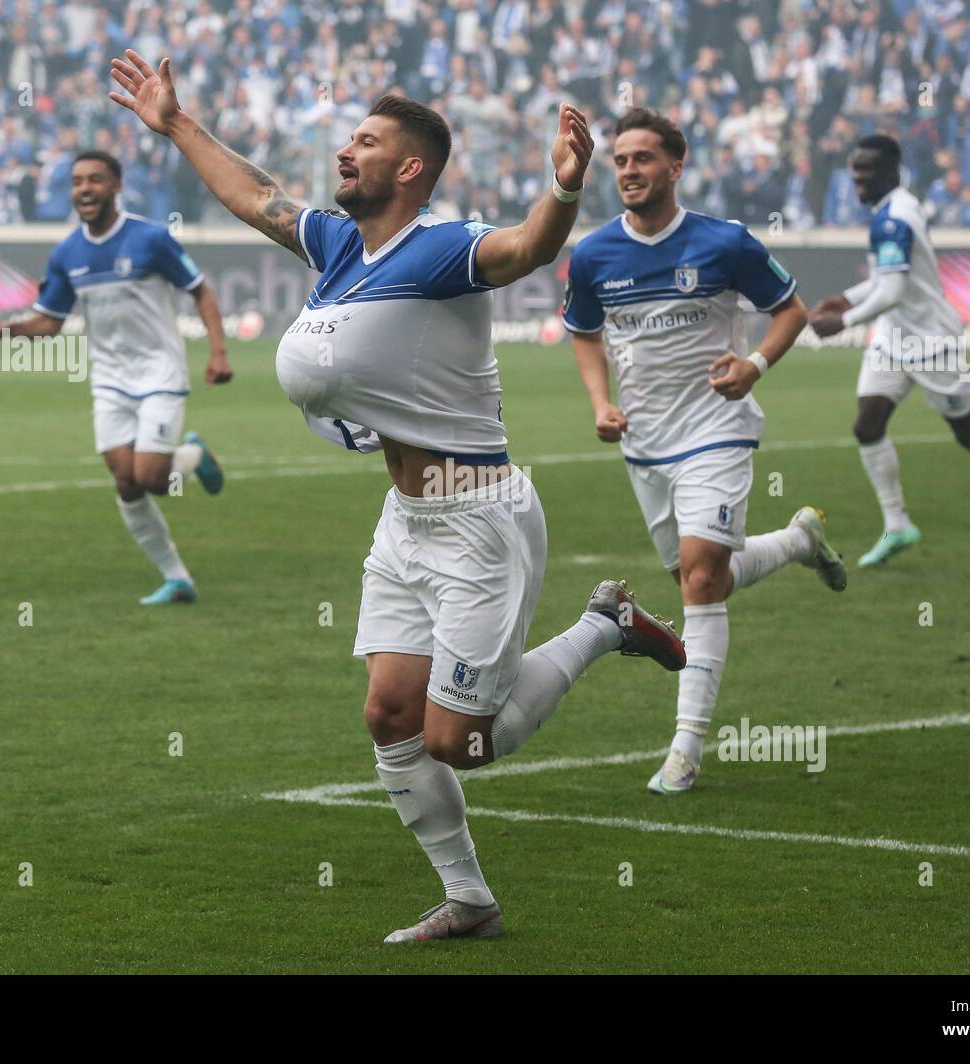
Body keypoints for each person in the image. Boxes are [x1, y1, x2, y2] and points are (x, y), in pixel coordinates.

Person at [109, 49, 686, 942]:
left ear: (408, 169)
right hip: (407, 519)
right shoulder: (342, 245)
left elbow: (528, 248)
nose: (345, 151)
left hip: (480, 519)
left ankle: (604, 625)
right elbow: (256, 197)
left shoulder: (442, 249)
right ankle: (470, 900)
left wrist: (566, 189)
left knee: (461, 741)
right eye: (349, 138)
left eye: (365, 142)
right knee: (388, 715)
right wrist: (177, 124)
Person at [566, 109, 846, 796]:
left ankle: (686, 748)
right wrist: (600, 403)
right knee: (701, 576)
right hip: (646, 442)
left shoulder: (725, 243)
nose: (629, 171)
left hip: (718, 427)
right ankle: (797, 543)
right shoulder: (595, 254)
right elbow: (583, 332)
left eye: (643, 159)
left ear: (676, 166)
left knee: (698, 577)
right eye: (621, 161)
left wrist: (754, 364)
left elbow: (791, 311)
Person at [0, 150, 232, 604]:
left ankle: (193, 454)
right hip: (111, 379)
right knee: (125, 481)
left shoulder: (151, 239)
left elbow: (200, 291)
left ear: (115, 187)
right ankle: (177, 579)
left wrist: (218, 350)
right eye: (78, 181)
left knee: (153, 477)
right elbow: (49, 322)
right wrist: (10, 330)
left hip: (159, 371)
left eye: (95, 180)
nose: (85, 189)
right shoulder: (67, 253)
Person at [809, 134, 970, 570]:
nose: (858, 181)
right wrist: (847, 297)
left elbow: (892, 292)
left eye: (867, 172)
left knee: (967, 431)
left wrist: (844, 321)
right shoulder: (894, 208)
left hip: (934, 342)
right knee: (867, 424)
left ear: (892, 171)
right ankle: (897, 525)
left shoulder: (893, 219)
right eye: (854, 172)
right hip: (894, 341)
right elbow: (884, 280)